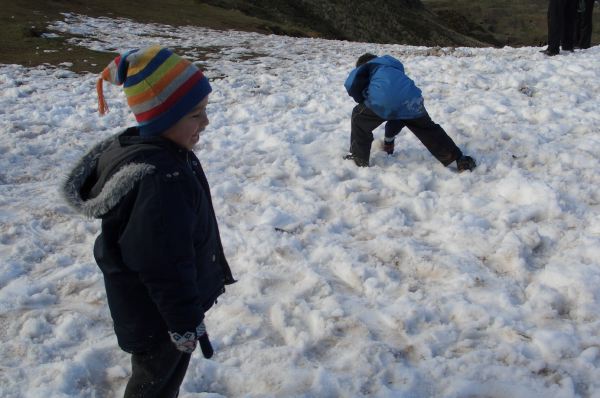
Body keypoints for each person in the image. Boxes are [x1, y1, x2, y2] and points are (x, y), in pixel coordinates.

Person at [62, 45, 235, 398]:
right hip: (161, 320)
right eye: (196, 114)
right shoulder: (160, 180)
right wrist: (184, 323)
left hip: (150, 310)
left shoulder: (161, 153)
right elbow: (164, 265)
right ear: (162, 120)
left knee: (153, 380)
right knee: (155, 385)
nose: (206, 122)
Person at [343, 53, 476, 171]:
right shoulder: (390, 64)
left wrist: (361, 100)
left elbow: (350, 84)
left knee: (359, 118)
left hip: (384, 100)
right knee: (427, 129)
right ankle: (458, 160)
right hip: (412, 99)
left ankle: (359, 158)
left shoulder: (365, 67)